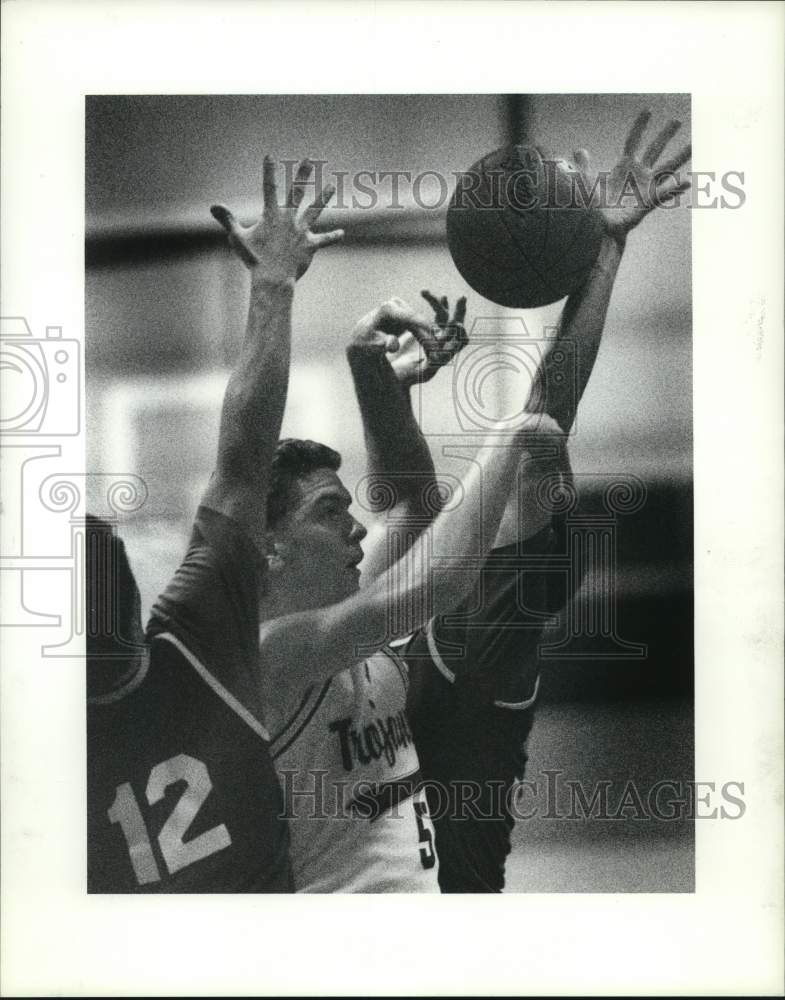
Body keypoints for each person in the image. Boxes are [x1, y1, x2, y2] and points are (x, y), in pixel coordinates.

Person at [354, 110, 692, 891]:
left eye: (532, 508)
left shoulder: (479, 631)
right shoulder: (401, 616)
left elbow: (545, 409)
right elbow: (406, 498)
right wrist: (374, 378)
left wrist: (605, 249)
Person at [88, 157, 344, 891]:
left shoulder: (196, 630)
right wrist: (271, 285)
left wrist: (272, 287)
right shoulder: (189, 631)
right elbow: (240, 462)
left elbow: (244, 458)